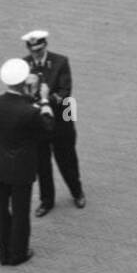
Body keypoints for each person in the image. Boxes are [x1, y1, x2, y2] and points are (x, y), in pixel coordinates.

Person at [0, 58, 46, 266]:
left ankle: (3, 253)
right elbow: (46, 128)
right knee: (20, 212)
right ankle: (18, 253)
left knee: (0, 210)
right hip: (21, 168)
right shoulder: (30, 111)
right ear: (24, 82)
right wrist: (42, 101)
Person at [23, 29, 85, 216]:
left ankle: (77, 191)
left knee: (67, 160)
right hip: (39, 124)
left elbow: (65, 93)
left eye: (39, 50)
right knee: (42, 165)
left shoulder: (60, 62)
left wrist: (43, 99)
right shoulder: (24, 65)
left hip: (61, 120)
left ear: (45, 46)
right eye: (33, 51)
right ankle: (46, 201)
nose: (36, 54)